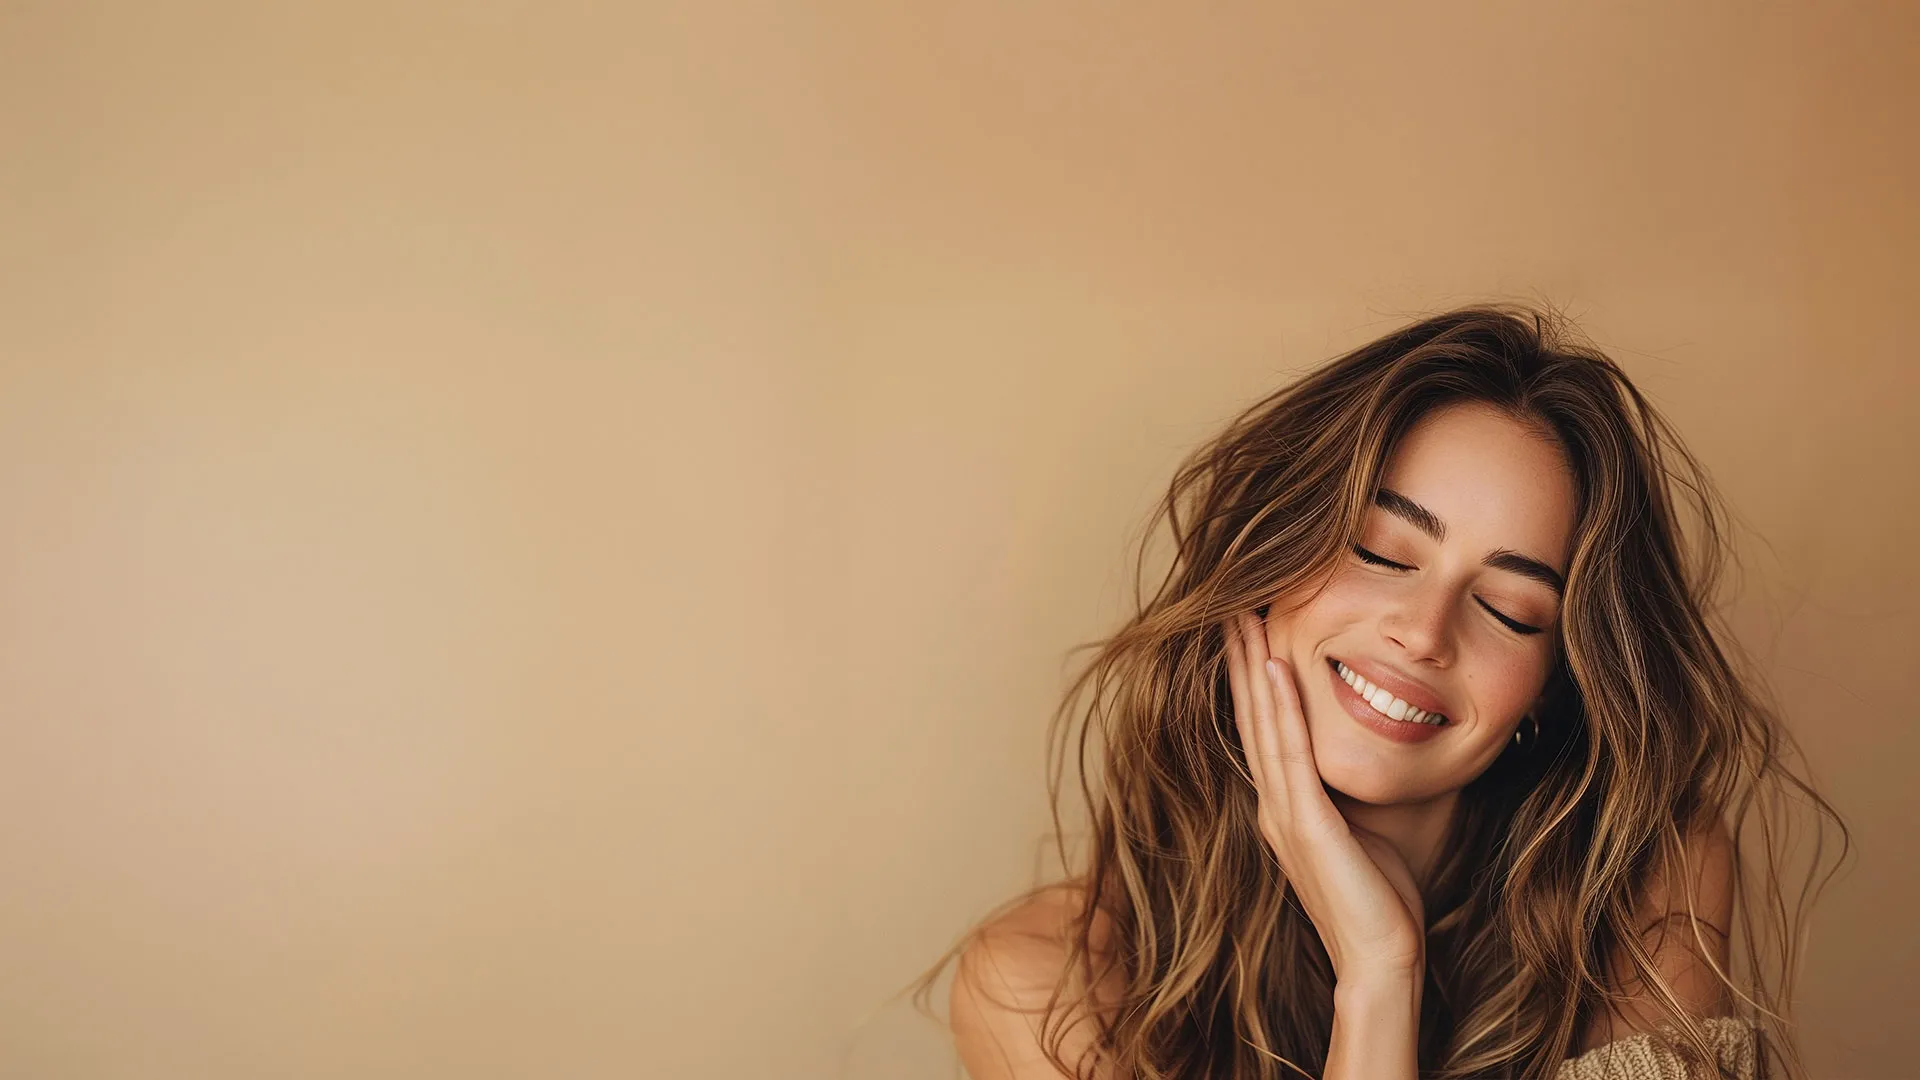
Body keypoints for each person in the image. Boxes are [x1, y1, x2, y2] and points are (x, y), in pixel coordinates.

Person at [907, 305, 1847, 1079]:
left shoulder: (1649, 874)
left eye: (1512, 610)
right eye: (1380, 552)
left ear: (1554, 690)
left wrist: (1376, 969)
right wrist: (1378, 977)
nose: (1425, 633)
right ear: (1266, 563)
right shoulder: (1041, 982)